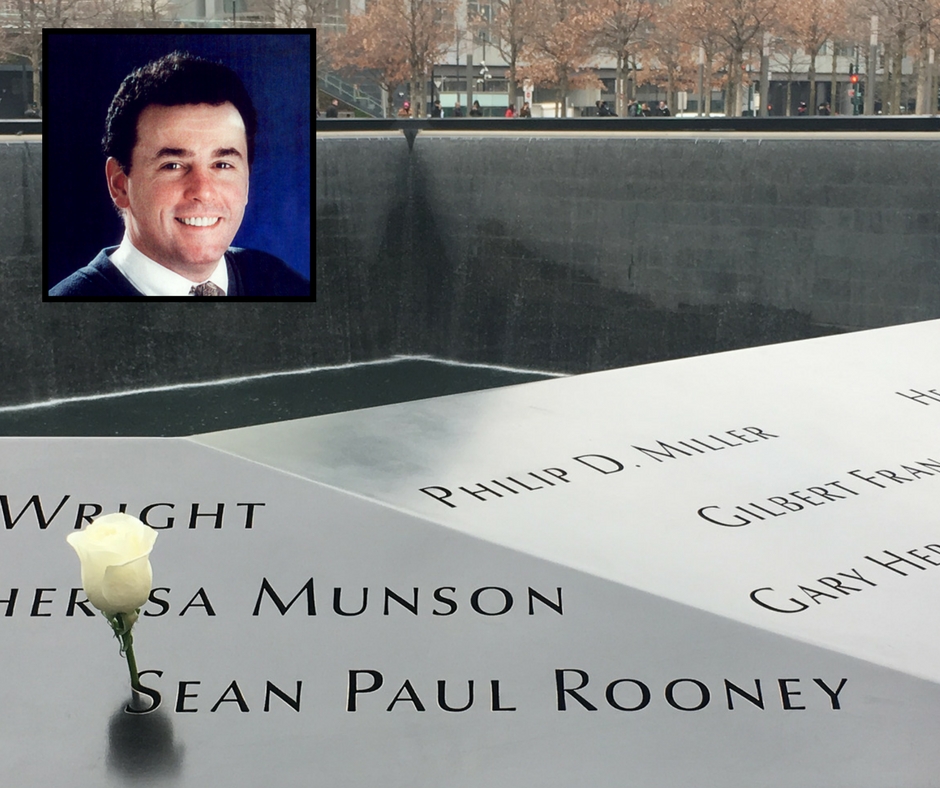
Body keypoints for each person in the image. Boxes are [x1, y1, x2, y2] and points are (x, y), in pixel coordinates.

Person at [48, 51, 309, 298]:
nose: (203, 190)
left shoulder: (281, 283)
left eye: (222, 165)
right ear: (119, 184)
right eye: (173, 165)